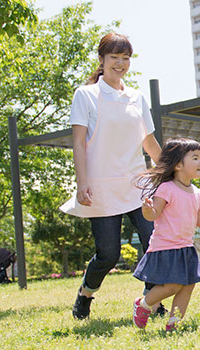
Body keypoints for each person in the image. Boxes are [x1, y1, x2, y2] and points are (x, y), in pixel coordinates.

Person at [58, 33, 162, 320]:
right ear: (102, 60)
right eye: (114, 57)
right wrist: (82, 183)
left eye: (125, 58)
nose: (120, 63)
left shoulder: (136, 98)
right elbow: (79, 142)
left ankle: (151, 299)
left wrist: (170, 174)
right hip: (101, 188)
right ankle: (86, 294)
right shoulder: (86, 95)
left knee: (153, 241)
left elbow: (149, 143)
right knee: (108, 254)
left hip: (137, 186)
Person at [131, 138, 200, 331]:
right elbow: (153, 214)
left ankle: (174, 322)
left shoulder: (197, 192)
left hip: (186, 248)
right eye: (195, 158)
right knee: (172, 286)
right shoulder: (166, 188)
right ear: (178, 164)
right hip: (166, 247)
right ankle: (143, 304)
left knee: (188, 285)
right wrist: (146, 209)